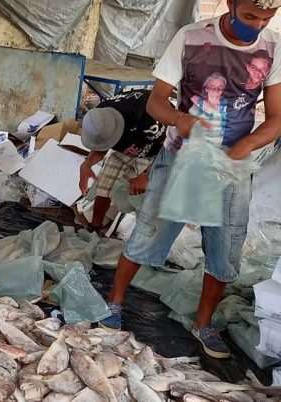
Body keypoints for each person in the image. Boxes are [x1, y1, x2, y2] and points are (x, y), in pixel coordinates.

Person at [100, 0, 281, 360]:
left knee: (225, 245)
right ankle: (114, 301)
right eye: (250, 16)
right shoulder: (192, 37)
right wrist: (179, 120)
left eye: (267, 17)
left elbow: (276, 118)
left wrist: (244, 146)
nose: (258, 24)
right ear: (231, 3)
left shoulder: (273, 48)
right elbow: (155, 102)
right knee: (150, 230)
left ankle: (203, 324)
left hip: (230, 165)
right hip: (181, 156)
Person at [78, 90, 166, 232]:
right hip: (125, 150)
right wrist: (87, 164)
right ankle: (94, 228)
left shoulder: (148, 115)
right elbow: (102, 144)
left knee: (146, 198)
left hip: (155, 153)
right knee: (104, 185)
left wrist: (146, 176)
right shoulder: (100, 113)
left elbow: (170, 148)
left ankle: (144, 236)